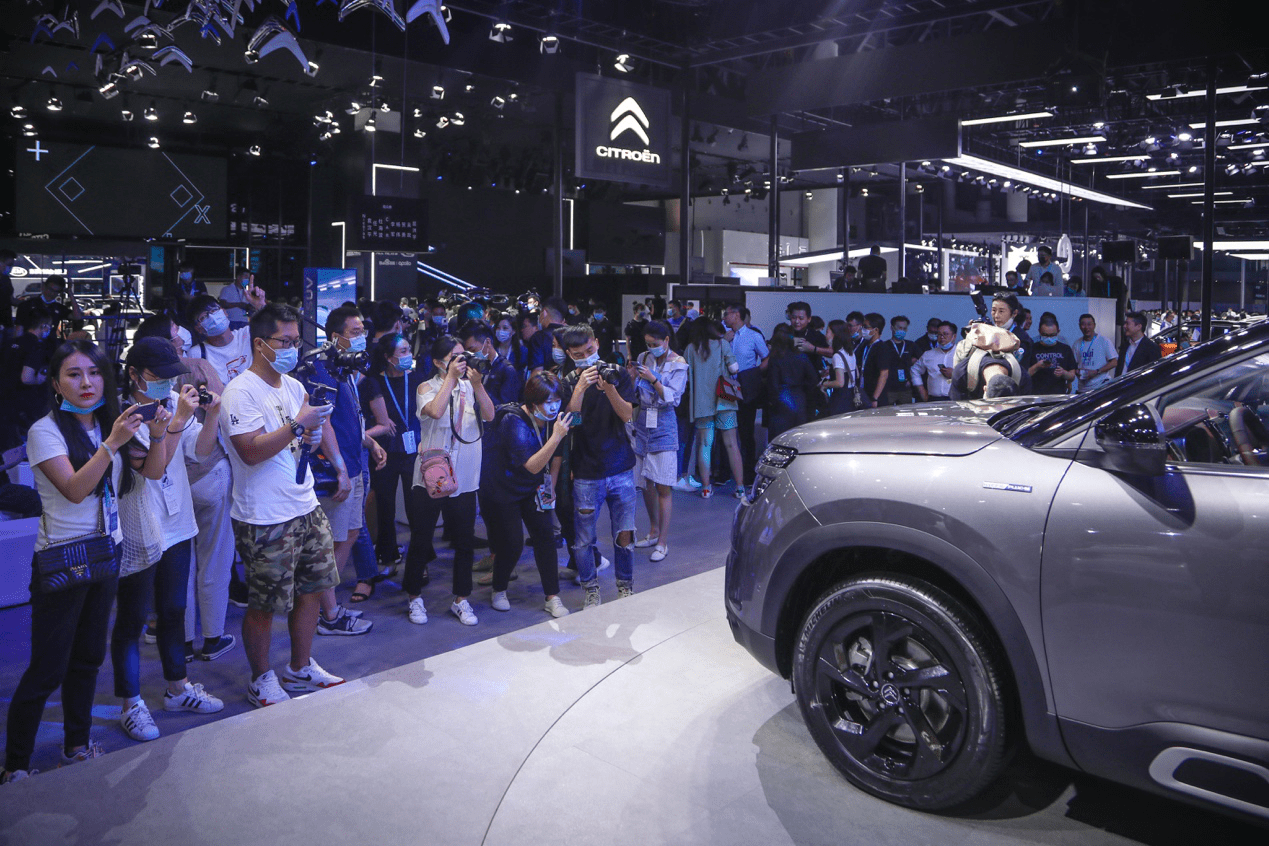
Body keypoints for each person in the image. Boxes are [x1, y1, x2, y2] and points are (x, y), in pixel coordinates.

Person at [2, 341, 137, 783]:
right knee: (47, 668)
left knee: (89, 658)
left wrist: (165, 431)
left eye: (94, 372)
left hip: (107, 550)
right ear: (57, 384)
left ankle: (76, 746)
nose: (86, 382)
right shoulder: (45, 431)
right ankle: (15, 765)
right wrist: (113, 444)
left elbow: (140, 478)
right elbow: (76, 490)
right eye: (74, 374)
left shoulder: (107, 424)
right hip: (63, 558)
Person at [219, 304, 345, 708]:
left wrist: (310, 438)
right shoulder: (240, 392)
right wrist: (298, 426)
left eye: (296, 341)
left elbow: (301, 434)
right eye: (284, 341)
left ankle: (300, 666)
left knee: (313, 589)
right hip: (264, 516)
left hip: (304, 504)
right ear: (260, 344)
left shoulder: (292, 386)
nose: (292, 349)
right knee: (265, 604)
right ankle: (261, 678)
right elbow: (250, 451)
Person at [112, 339, 226, 743]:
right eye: (156, 376)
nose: (165, 383)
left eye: (170, 376)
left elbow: (201, 451)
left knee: (175, 609)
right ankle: (131, 703)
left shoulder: (174, 402)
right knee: (132, 618)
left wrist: (211, 415)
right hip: (138, 524)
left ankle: (178, 688)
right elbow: (152, 470)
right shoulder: (121, 415)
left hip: (177, 521)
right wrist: (176, 422)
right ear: (134, 374)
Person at [294, 306, 384, 637]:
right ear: (336, 337)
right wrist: (340, 470)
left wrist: (368, 442)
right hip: (337, 469)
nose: (362, 338)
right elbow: (323, 421)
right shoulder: (320, 367)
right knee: (330, 541)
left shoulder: (344, 367)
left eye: (363, 331)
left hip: (354, 461)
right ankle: (328, 614)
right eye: (355, 332)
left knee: (350, 532)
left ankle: (326, 605)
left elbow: (350, 416)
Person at [405, 336, 495, 627]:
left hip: (465, 477)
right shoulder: (426, 387)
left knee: (465, 541)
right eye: (454, 357)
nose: (461, 362)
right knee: (421, 539)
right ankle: (414, 597)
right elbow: (435, 411)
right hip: (432, 477)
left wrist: (477, 385)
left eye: (463, 356)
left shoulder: (470, 386)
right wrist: (451, 379)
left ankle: (461, 599)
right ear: (437, 362)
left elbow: (490, 415)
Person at [480, 373, 571, 618]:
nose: (554, 407)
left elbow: (556, 455)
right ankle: (499, 588)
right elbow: (531, 465)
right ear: (532, 402)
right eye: (547, 402)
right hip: (504, 489)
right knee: (512, 543)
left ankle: (552, 596)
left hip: (534, 488)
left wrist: (551, 486)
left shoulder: (553, 420)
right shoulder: (514, 421)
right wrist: (557, 436)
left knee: (546, 538)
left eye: (557, 400)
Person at [560, 324, 638, 607]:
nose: (586, 358)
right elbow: (571, 423)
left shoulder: (616, 373)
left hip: (621, 467)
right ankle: (590, 590)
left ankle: (625, 587)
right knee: (583, 540)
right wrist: (580, 388)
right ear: (569, 354)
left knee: (625, 534)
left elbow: (627, 415)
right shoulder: (568, 382)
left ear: (596, 343)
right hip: (586, 471)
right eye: (578, 354)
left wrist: (610, 389)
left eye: (589, 350)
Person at [366, 333, 426, 582]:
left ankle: (420, 562)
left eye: (409, 350)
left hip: (413, 450)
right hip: (384, 451)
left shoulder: (417, 379)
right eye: (402, 352)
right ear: (388, 357)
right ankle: (388, 557)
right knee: (385, 506)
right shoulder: (374, 382)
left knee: (416, 508)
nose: (408, 356)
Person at [630, 321, 687, 561]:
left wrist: (654, 379)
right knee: (645, 482)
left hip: (664, 423)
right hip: (642, 421)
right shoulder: (643, 357)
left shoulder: (679, 363)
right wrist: (632, 376)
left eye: (655, 343)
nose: (651, 348)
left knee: (663, 485)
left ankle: (662, 542)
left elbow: (673, 399)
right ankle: (653, 531)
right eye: (647, 344)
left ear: (666, 340)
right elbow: (634, 389)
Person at [684, 317, 744, 499]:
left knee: (704, 445)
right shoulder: (722, 344)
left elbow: (686, 375)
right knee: (731, 444)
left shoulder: (690, 349)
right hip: (724, 401)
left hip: (701, 403)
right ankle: (740, 488)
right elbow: (734, 369)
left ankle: (705, 488)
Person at [723, 305, 768, 486]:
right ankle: (725, 472)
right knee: (725, 428)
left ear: (736, 315)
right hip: (726, 384)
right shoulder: (724, 336)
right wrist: (723, 341)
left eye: (726, 314)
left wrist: (754, 374)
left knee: (746, 431)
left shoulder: (754, 336)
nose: (724, 317)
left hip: (745, 385)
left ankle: (748, 474)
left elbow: (766, 358)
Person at [185, 291, 265, 385]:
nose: (212, 317)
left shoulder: (248, 334)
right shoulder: (196, 354)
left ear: (224, 312)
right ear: (198, 329)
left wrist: (261, 306)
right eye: (203, 317)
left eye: (214, 310)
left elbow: (276, 329)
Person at [764, 325, 820, 439]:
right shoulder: (802, 356)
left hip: (781, 400)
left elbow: (773, 385)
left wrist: (771, 402)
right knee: (798, 438)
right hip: (799, 398)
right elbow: (814, 379)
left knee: (780, 439)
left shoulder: (775, 358)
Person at [462, 322, 522, 406]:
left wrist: (478, 387)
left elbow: (507, 409)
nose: (471, 355)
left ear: (488, 342)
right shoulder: (470, 366)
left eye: (473, 350)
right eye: (467, 352)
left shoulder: (507, 370)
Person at [1026, 313, 1077, 395]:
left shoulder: (1065, 349)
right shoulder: (1031, 348)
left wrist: (1063, 373)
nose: (1049, 338)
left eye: (1052, 335)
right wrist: (1036, 367)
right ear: (1039, 332)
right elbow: (1024, 375)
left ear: (1058, 332)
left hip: (1058, 395)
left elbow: (1072, 376)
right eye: (1045, 335)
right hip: (1036, 395)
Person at [821, 319, 860, 415]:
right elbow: (857, 374)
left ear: (835, 334)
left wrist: (825, 384)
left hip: (840, 399)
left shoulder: (837, 356)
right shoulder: (850, 352)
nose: (826, 336)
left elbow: (839, 383)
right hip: (851, 396)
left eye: (827, 332)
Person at [911, 322, 958, 402]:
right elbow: (914, 370)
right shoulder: (928, 354)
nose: (942, 337)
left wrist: (955, 374)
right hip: (934, 399)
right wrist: (921, 390)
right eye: (939, 334)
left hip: (956, 400)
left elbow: (972, 376)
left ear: (954, 336)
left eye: (945, 334)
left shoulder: (962, 354)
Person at [877, 315, 917, 406]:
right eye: (899, 328)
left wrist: (911, 362)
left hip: (905, 388)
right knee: (887, 411)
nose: (902, 331)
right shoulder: (884, 345)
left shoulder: (911, 345)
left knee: (906, 412)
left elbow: (921, 359)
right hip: (888, 388)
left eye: (904, 328)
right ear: (892, 328)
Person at [1073, 314, 1118, 393]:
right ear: (1079, 326)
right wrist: (1077, 372)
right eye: (1083, 324)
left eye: (1089, 324)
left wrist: (1097, 372)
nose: (1086, 327)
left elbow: (1114, 362)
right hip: (1083, 388)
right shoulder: (1077, 344)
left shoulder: (1104, 341)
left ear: (1094, 325)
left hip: (1101, 386)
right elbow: (1073, 365)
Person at [857, 313, 889, 409]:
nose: (863, 330)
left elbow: (884, 373)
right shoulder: (864, 345)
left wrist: (875, 397)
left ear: (876, 330)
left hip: (875, 395)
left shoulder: (882, 348)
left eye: (866, 327)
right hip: (862, 391)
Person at [1116, 310, 1162, 376]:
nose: (1124, 326)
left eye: (1127, 324)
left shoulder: (1151, 348)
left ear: (1139, 326)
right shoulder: (1125, 345)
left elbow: (1155, 373)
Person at [787, 302, 830, 372]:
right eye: (794, 318)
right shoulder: (784, 332)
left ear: (809, 319)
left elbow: (832, 352)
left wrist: (813, 349)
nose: (797, 321)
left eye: (801, 318)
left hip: (811, 376)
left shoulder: (815, 335)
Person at [0, 249, 16, 338]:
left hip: (7, 322)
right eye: (9, 265)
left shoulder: (6, 279)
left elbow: (11, 300)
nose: (10, 268)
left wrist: (27, 302)